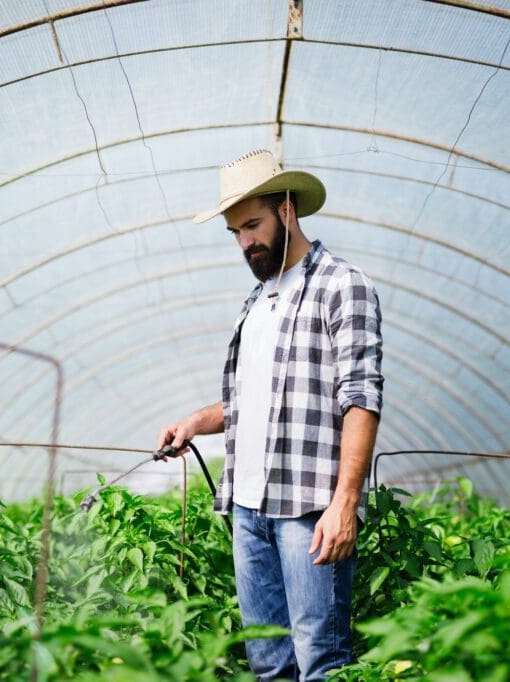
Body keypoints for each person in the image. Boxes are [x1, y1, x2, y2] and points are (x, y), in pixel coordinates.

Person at [156, 149, 383, 681]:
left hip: (308, 511)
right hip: (247, 511)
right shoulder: (255, 304)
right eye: (235, 232)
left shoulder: (341, 286)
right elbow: (248, 403)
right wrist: (193, 423)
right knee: (267, 662)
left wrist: (345, 503)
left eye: (252, 225)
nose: (245, 242)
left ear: (286, 208)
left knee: (321, 661)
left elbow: (361, 397)